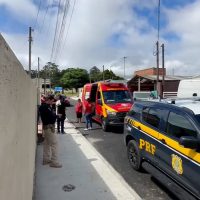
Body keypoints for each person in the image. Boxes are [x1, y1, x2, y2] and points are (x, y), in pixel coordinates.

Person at [39, 95, 62, 168]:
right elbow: (50, 117)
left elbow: (50, 115)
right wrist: (56, 116)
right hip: (49, 128)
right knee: (54, 144)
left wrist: (55, 115)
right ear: (48, 99)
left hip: (48, 128)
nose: (53, 102)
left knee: (47, 144)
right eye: (52, 101)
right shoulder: (45, 107)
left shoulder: (47, 107)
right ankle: (54, 162)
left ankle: (46, 159)